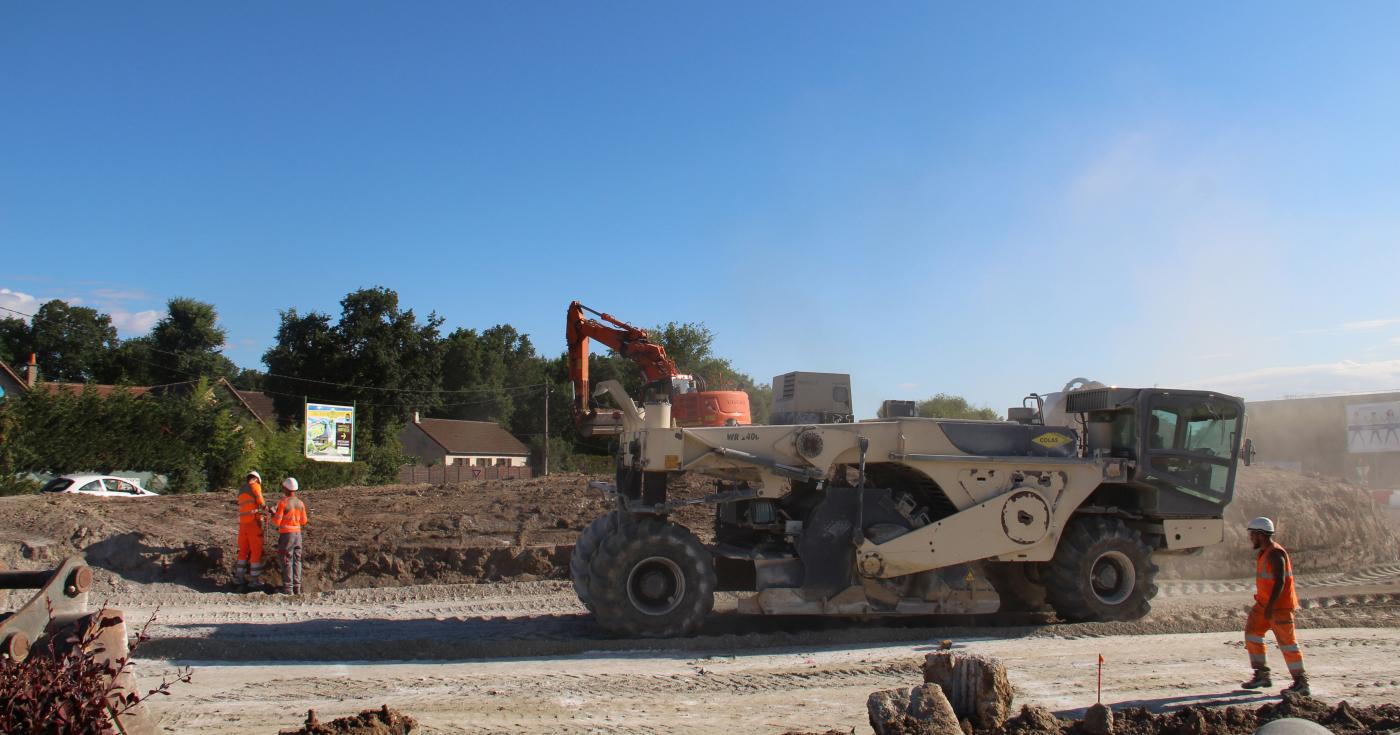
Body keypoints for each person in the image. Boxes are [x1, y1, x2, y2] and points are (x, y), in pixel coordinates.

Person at [1241, 516, 1308, 695]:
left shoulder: (1275, 554)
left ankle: (1301, 683)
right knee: (1252, 634)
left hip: (1278, 608)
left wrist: (1270, 606)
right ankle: (1262, 674)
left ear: (1261, 535)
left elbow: (1280, 581)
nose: (1251, 538)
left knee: (1288, 645)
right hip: (1264, 605)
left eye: (1253, 535)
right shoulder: (1265, 552)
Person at [271, 477, 309, 595]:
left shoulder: (283, 503)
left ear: (286, 488)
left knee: (287, 560)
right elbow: (303, 521)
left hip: (287, 535)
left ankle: (288, 589)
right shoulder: (300, 503)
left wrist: (273, 513)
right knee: (297, 560)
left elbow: (276, 522)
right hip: (298, 535)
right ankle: (297, 588)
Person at [233, 470, 267, 593]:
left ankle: (239, 578)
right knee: (255, 552)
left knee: (243, 552)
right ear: (257, 479)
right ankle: (254, 580)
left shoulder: (242, 489)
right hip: (253, 524)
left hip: (243, 525)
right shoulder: (255, 486)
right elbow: (261, 503)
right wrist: (267, 509)